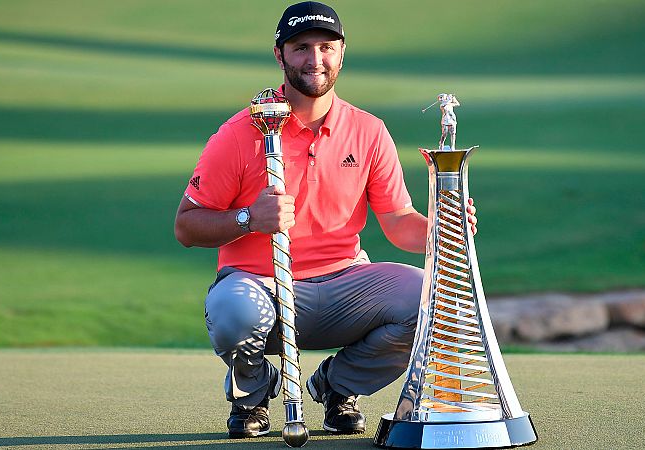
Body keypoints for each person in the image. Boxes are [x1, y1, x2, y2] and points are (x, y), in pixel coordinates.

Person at [174, 1, 477, 439]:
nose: (315, 60)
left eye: (326, 47)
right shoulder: (241, 132)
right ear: (280, 55)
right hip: (259, 285)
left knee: (429, 299)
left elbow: (397, 222)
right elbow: (186, 226)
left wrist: (443, 232)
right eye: (301, 48)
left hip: (344, 285)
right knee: (232, 311)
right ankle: (254, 394)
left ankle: (337, 387)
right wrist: (248, 218)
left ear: (342, 52)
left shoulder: (368, 130)